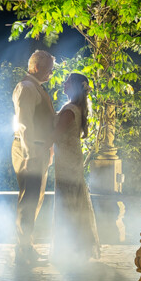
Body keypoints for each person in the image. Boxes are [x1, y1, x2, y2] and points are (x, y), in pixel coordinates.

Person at [52, 73, 100, 265]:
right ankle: (76, 246)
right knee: (72, 201)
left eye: (67, 81)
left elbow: (54, 134)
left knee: (67, 202)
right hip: (71, 158)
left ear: (73, 86)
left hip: (67, 161)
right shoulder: (77, 107)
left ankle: (71, 247)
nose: (64, 84)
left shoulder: (70, 110)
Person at [12, 50, 55, 266]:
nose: (51, 73)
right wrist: (29, 154)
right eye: (48, 68)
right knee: (28, 200)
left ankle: (27, 247)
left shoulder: (35, 87)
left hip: (38, 150)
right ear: (36, 66)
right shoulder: (26, 88)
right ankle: (23, 251)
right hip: (28, 150)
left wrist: (48, 149)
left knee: (35, 199)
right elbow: (24, 123)